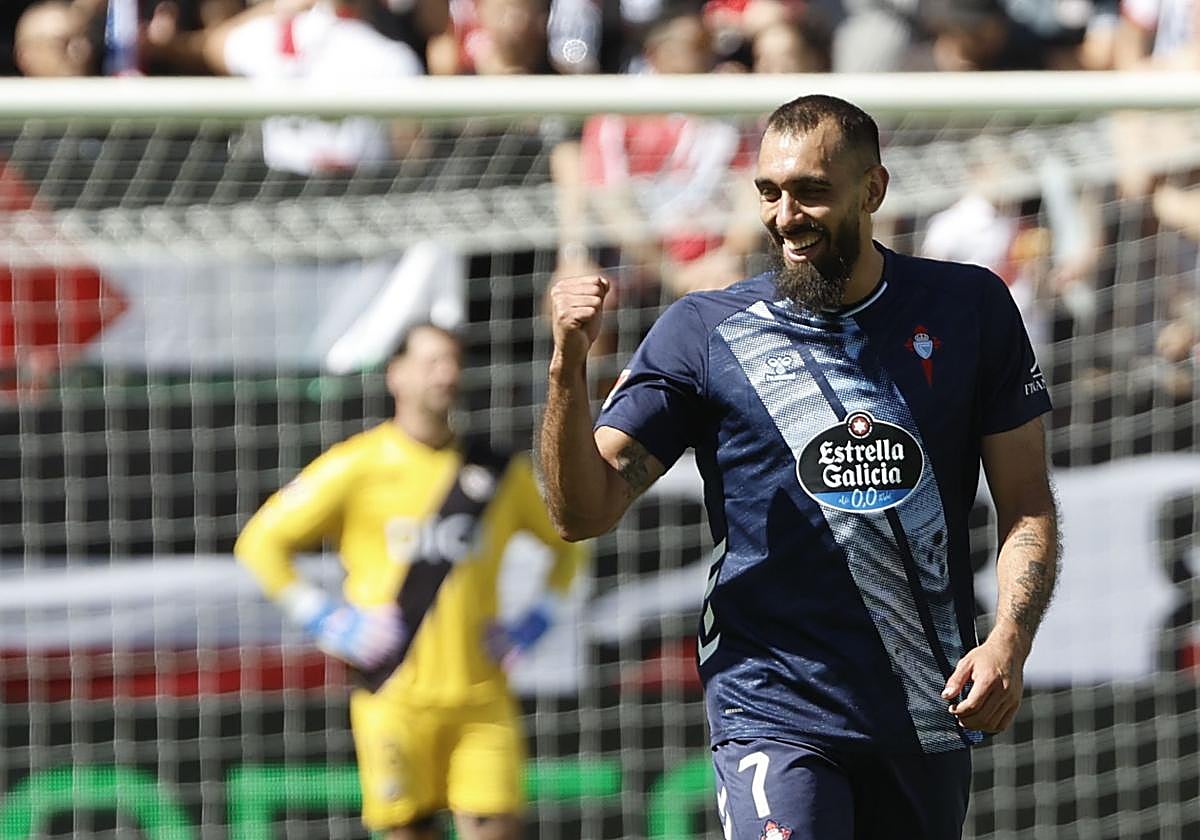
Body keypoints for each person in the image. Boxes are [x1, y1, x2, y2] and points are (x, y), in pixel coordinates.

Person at [541, 95, 1059, 839]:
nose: (787, 215)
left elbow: (1027, 502)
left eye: (812, 191)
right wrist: (567, 368)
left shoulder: (967, 308)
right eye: (769, 192)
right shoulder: (703, 330)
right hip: (770, 702)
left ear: (873, 190)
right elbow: (581, 512)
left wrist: (1010, 639)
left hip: (922, 702)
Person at [235, 323, 586, 840]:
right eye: (430, 362)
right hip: (393, 697)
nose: (445, 373)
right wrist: (324, 616)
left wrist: (538, 619)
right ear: (395, 374)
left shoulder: (495, 471)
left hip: (480, 698)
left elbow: (570, 544)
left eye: (452, 361)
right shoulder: (357, 466)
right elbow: (260, 543)